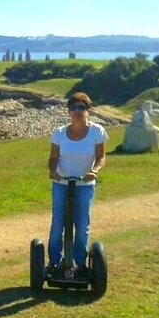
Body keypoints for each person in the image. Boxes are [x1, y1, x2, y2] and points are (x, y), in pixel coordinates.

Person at [47, 92, 108, 274]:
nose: (77, 111)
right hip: (62, 183)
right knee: (58, 224)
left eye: (81, 108)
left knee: (82, 225)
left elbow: (101, 157)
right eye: (73, 108)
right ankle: (55, 262)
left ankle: (79, 263)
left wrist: (94, 171)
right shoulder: (59, 133)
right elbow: (53, 158)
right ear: (69, 112)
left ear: (88, 111)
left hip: (84, 184)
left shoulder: (97, 131)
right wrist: (52, 171)